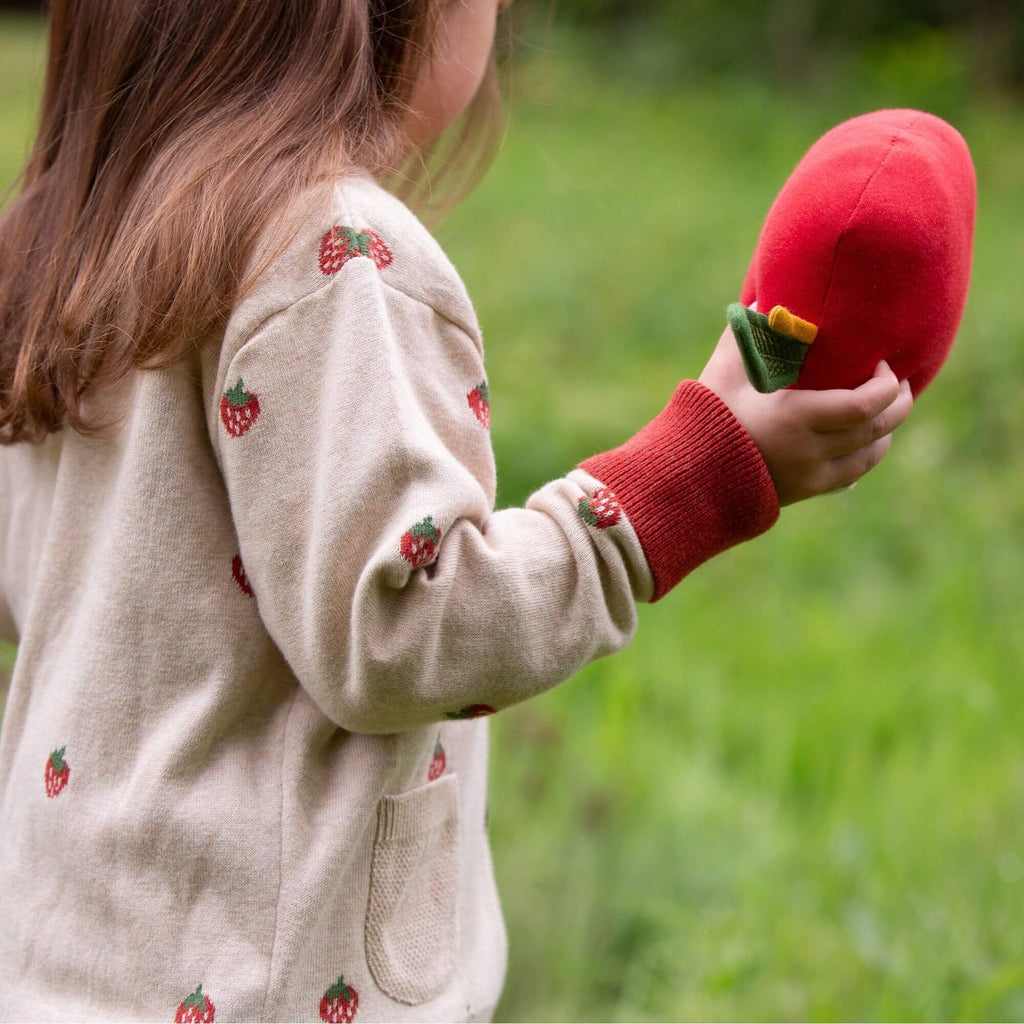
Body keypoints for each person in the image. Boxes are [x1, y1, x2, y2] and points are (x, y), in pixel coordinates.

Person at [0, 0, 913, 1020]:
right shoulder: (330, 253)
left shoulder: (63, 247)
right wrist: (690, 477)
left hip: (60, 965)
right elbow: (402, 625)